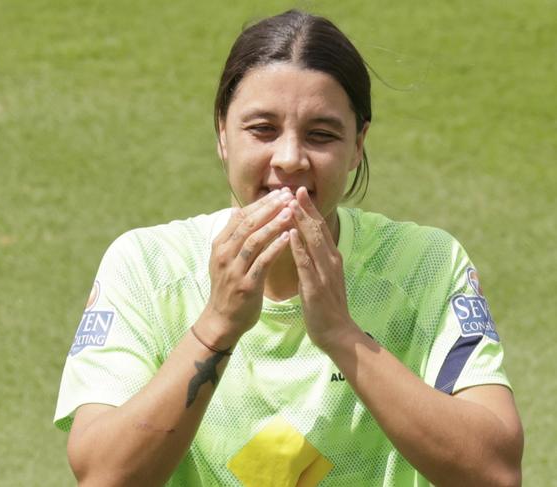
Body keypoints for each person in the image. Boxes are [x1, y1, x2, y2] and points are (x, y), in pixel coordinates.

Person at [54, 9, 523, 487]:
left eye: (321, 135)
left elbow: (496, 472)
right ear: (222, 133)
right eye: (262, 129)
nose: (290, 158)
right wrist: (216, 325)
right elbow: (102, 475)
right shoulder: (147, 267)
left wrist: (342, 334)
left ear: (358, 145)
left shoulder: (427, 265)